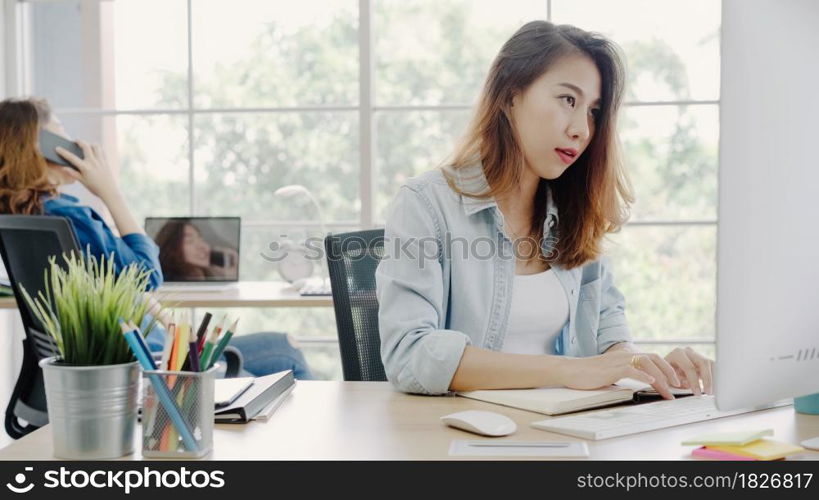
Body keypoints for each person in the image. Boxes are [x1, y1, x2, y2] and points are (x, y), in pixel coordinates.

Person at [375, 21, 713, 397]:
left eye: (593, 112)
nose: (582, 130)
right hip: (458, 433)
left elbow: (608, 333)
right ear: (509, 95)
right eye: (568, 100)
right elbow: (409, 354)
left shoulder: (575, 211)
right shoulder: (426, 203)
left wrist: (647, 367)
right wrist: (568, 371)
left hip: (565, 428)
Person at [0, 97, 312, 379]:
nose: (75, 145)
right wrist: (110, 192)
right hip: (151, 365)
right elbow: (146, 275)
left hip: (130, 360)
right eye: (62, 136)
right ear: (39, 146)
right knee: (284, 357)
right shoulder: (69, 217)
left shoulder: (29, 218)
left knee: (283, 348)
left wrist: (168, 322)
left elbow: (121, 283)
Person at [154, 220, 239, 281]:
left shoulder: (207, 276)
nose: (204, 246)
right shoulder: (165, 281)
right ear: (172, 248)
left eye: (201, 239)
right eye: (189, 241)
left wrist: (230, 274)